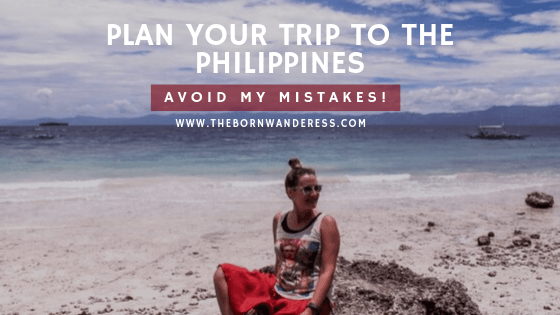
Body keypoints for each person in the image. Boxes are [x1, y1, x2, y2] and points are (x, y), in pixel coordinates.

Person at [214, 158, 340, 315]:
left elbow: (328, 270)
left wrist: (311, 309)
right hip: (278, 289)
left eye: (317, 188)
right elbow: (279, 262)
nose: (315, 193)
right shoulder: (279, 220)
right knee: (223, 274)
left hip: (307, 299)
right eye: (308, 189)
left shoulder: (326, 222)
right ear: (291, 192)